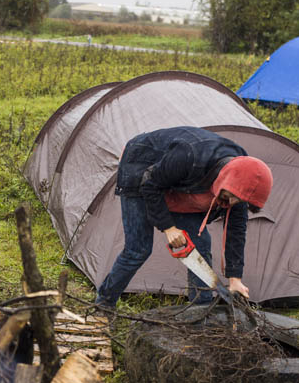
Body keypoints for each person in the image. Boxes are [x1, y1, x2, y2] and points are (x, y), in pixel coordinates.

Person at [95, 126, 272, 308]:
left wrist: (235, 279)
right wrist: (169, 228)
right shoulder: (190, 155)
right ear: (228, 179)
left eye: (240, 200)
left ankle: (201, 313)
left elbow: (236, 231)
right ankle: (103, 305)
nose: (234, 202)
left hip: (179, 181)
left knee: (200, 246)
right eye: (234, 198)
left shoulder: (243, 180)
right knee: (138, 249)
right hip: (141, 165)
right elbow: (151, 186)